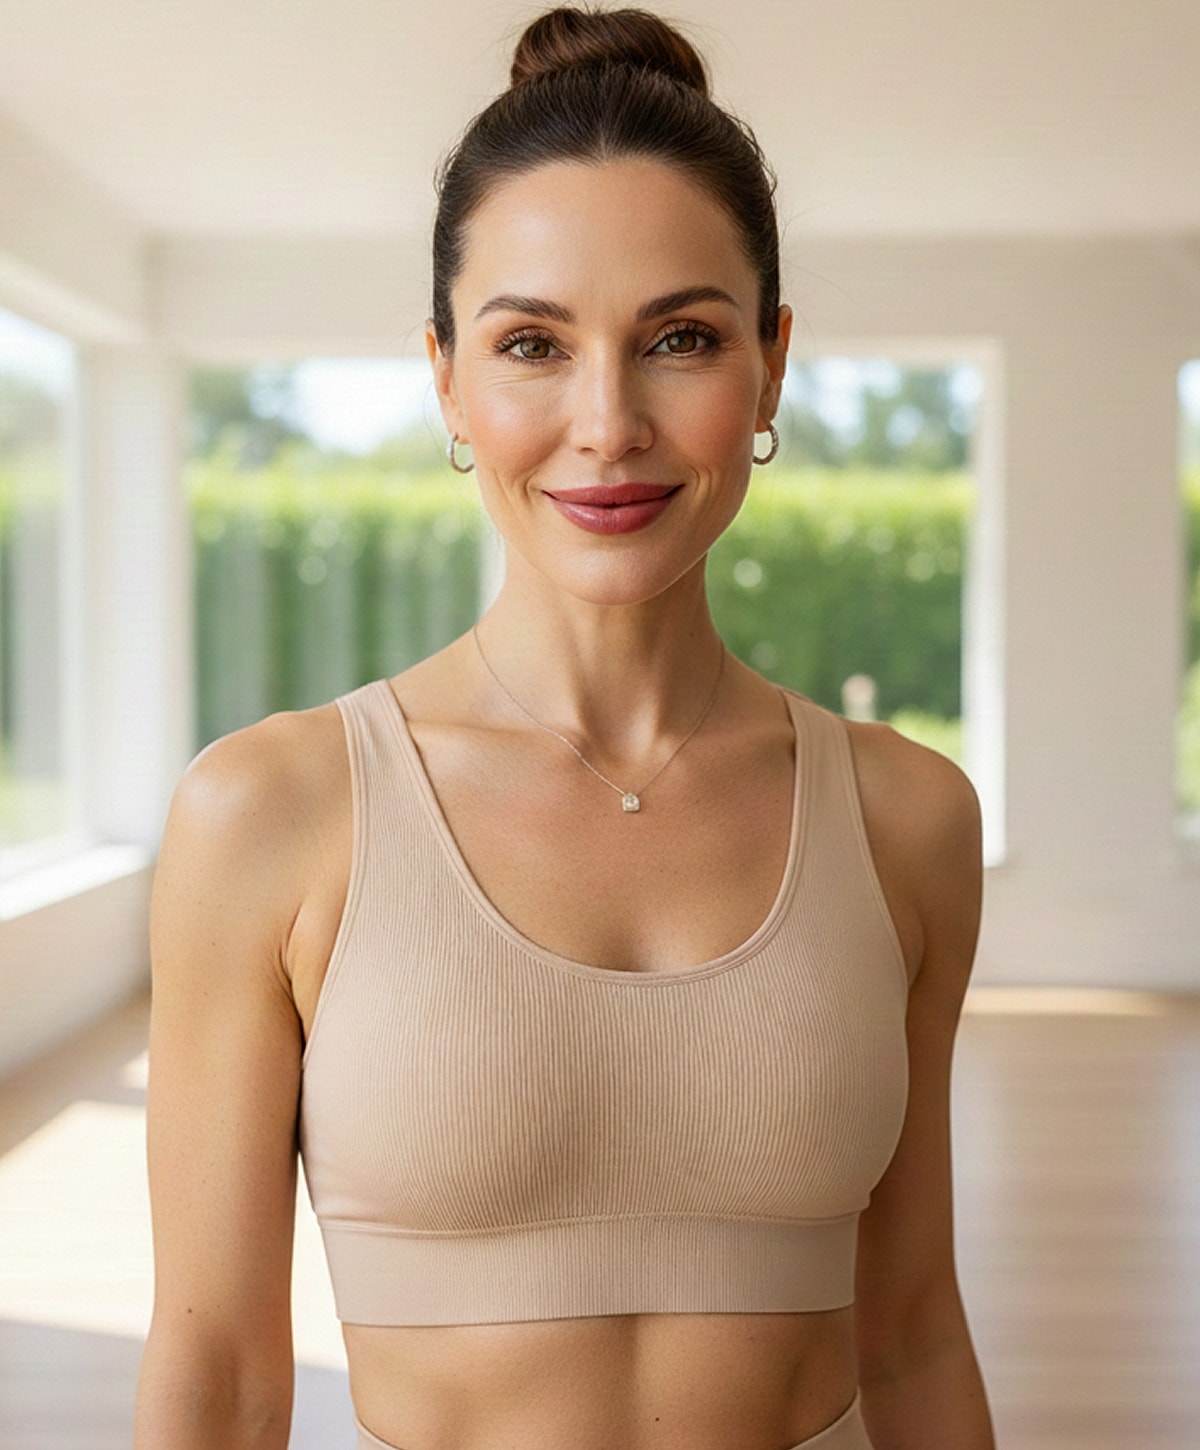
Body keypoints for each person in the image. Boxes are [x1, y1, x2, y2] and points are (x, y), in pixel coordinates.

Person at [134, 7, 995, 1449]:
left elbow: (912, 1339)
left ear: (772, 363)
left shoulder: (909, 820)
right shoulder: (271, 814)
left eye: (681, 339)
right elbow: (216, 1368)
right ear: (446, 376)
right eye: (532, 342)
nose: (607, 423)